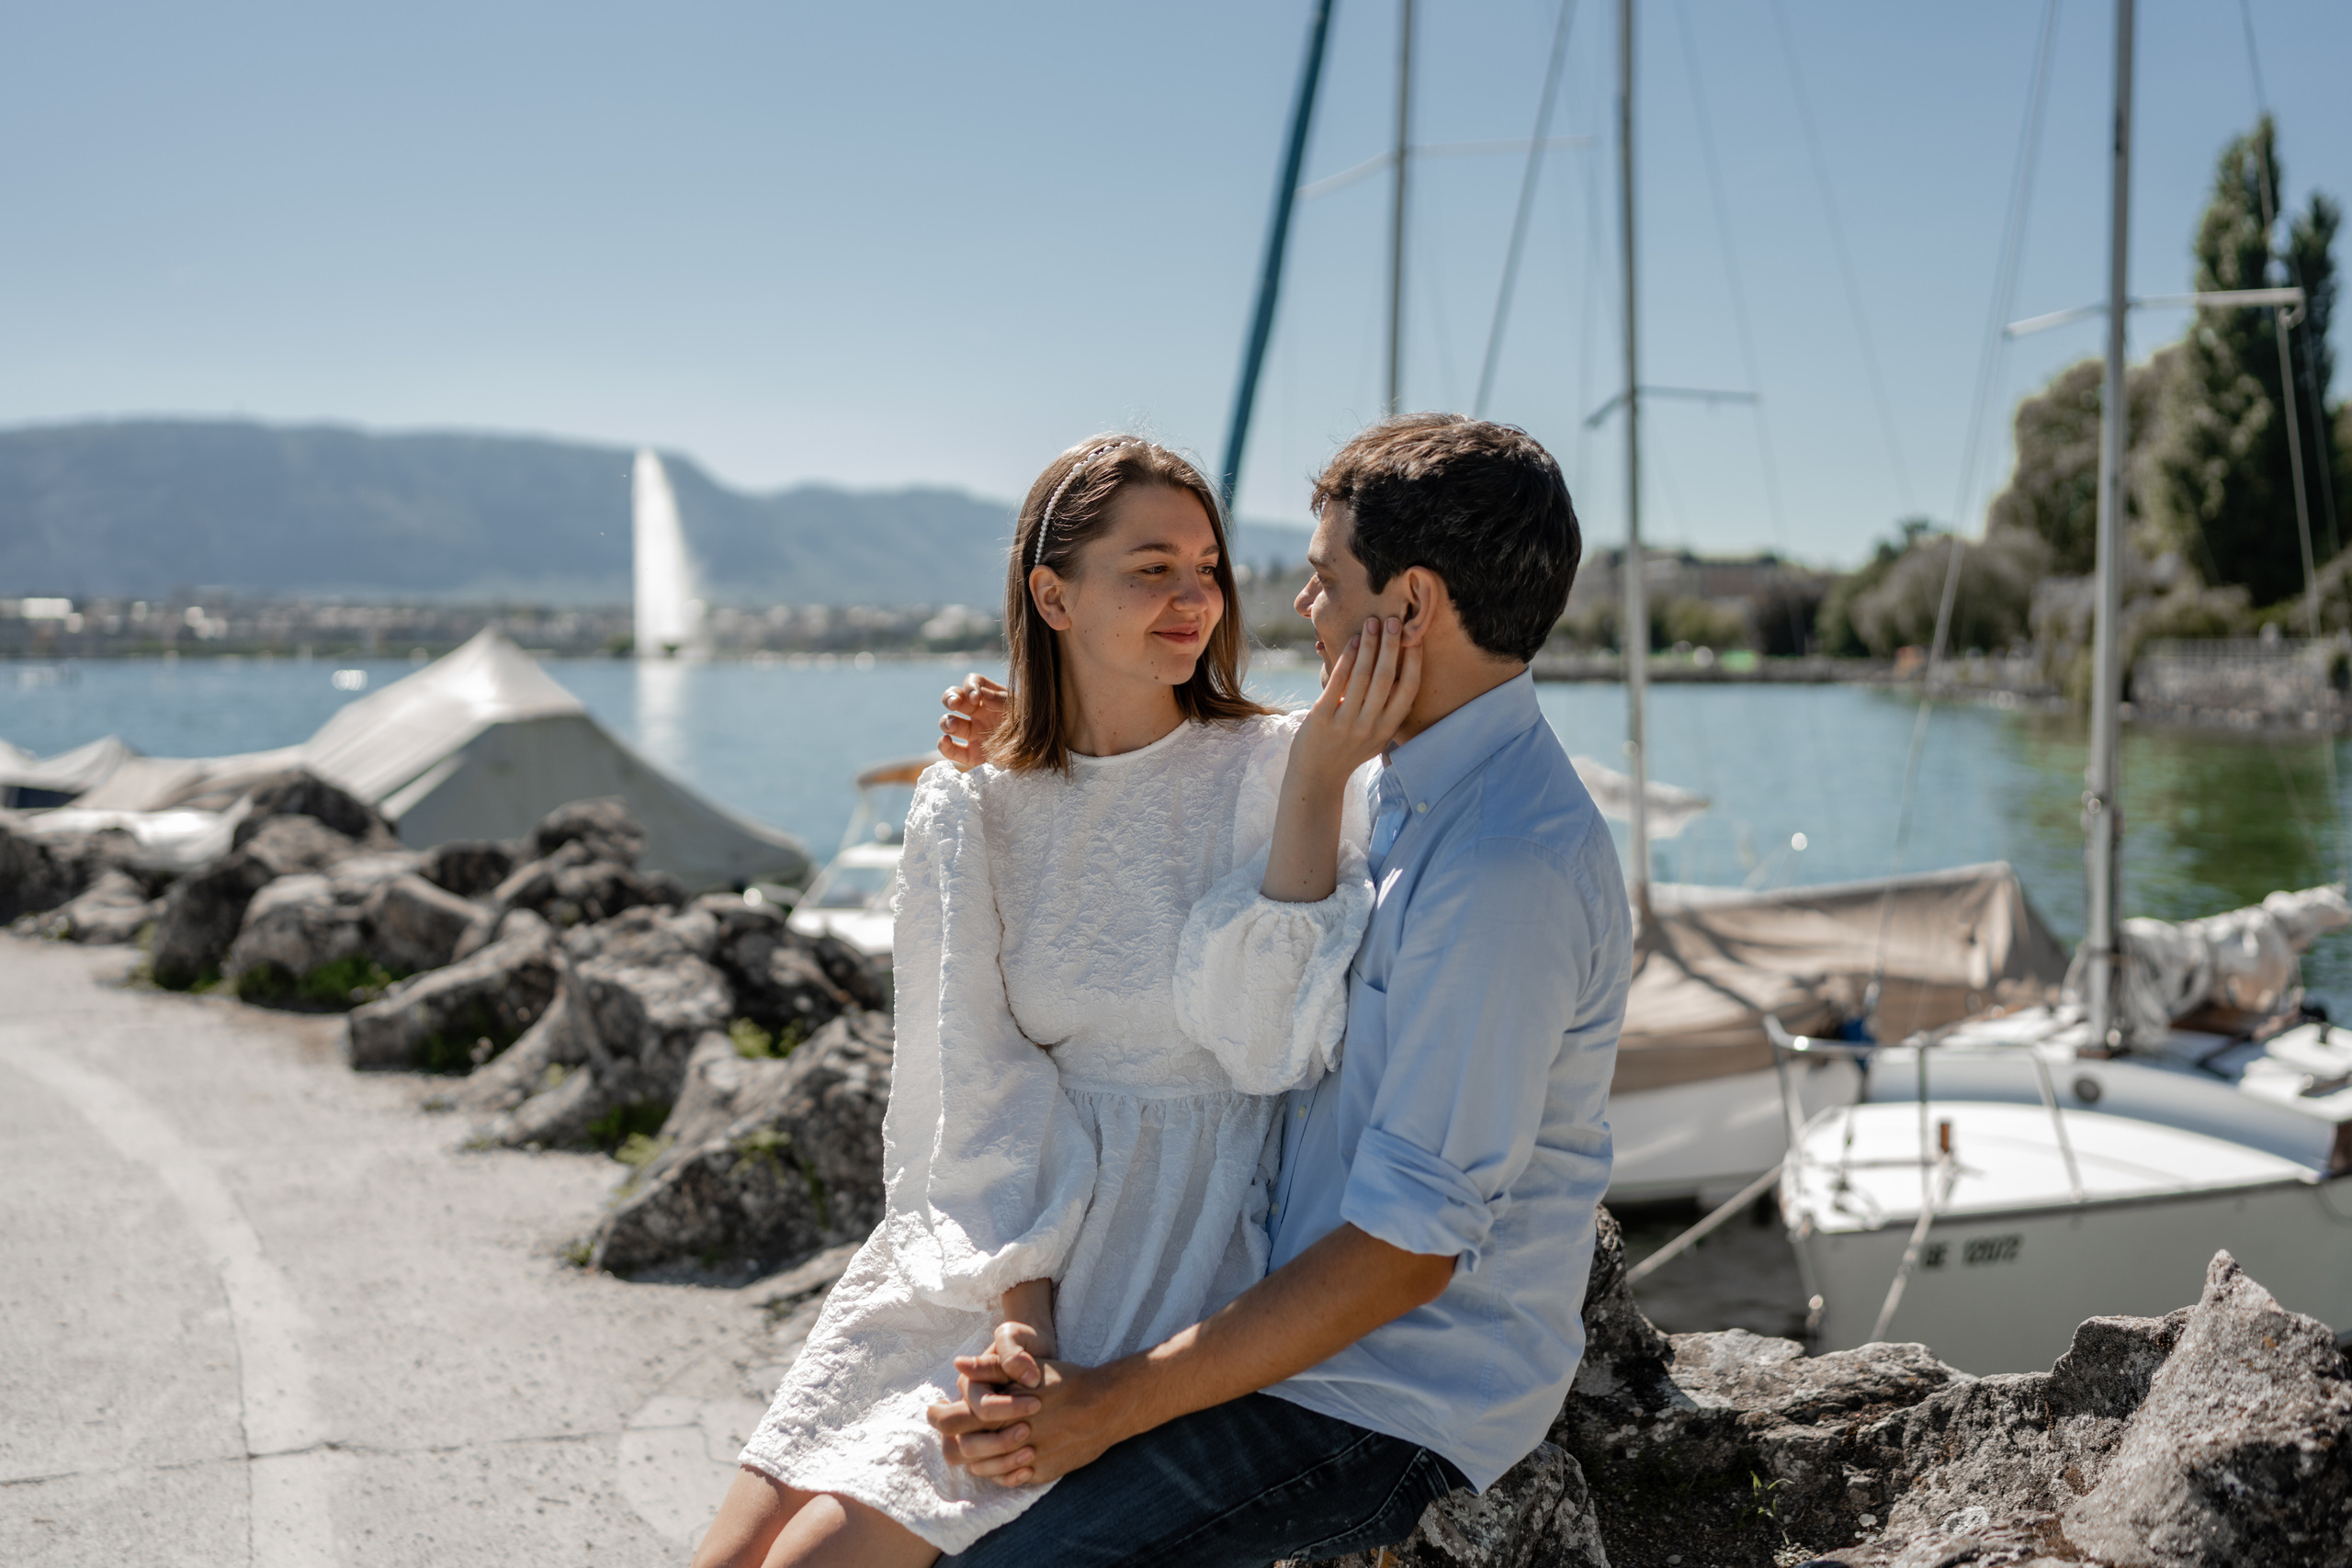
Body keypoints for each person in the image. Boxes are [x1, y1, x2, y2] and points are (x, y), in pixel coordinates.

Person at [693, 434, 1419, 1568]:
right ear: (1052, 594)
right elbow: (975, 1080)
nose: (1194, 599)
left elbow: (1271, 1050)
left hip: (1165, 1257)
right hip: (986, 1248)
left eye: (1207, 568)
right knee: (733, 1560)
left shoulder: (1295, 765)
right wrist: (1017, 1317)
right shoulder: (972, 799)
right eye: (1150, 569)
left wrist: (1320, 777)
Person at [924, 413, 1633, 1567]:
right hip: (1268, 1320)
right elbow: (1196, 779)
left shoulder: (1502, 865)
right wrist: (1045, 741)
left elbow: (1408, 1252)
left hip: (1380, 1394)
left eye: (1325, 579)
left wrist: (1104, 1407)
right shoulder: (1399, 773)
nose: (1302, 607)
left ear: (1409, 605)